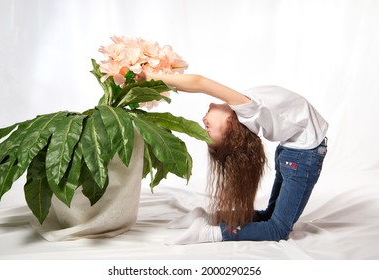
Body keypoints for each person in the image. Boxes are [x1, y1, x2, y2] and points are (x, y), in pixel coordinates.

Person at [137, 73, 328, 245]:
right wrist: (151, 77)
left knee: (270, 215)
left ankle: (209, 218)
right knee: (278, 229)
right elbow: (199, 82)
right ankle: (209, 233)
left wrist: (153, 79)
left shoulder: (245, 108)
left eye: (206, 129)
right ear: (231, 130)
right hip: (302, 154)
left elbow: (196, 85)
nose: (203, 123)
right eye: (208, 129)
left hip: (290, 150)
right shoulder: (248, 110)